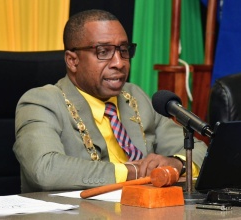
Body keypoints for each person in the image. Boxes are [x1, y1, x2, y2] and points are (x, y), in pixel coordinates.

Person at [13, 9, 207, 193]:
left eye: (123, 50)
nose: (119, 62)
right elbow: (45, 170)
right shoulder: (41, 102)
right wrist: (134, 172)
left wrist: (177, 163)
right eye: (103, 52)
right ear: (72, 61)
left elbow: (199, 149)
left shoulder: (134, 96)